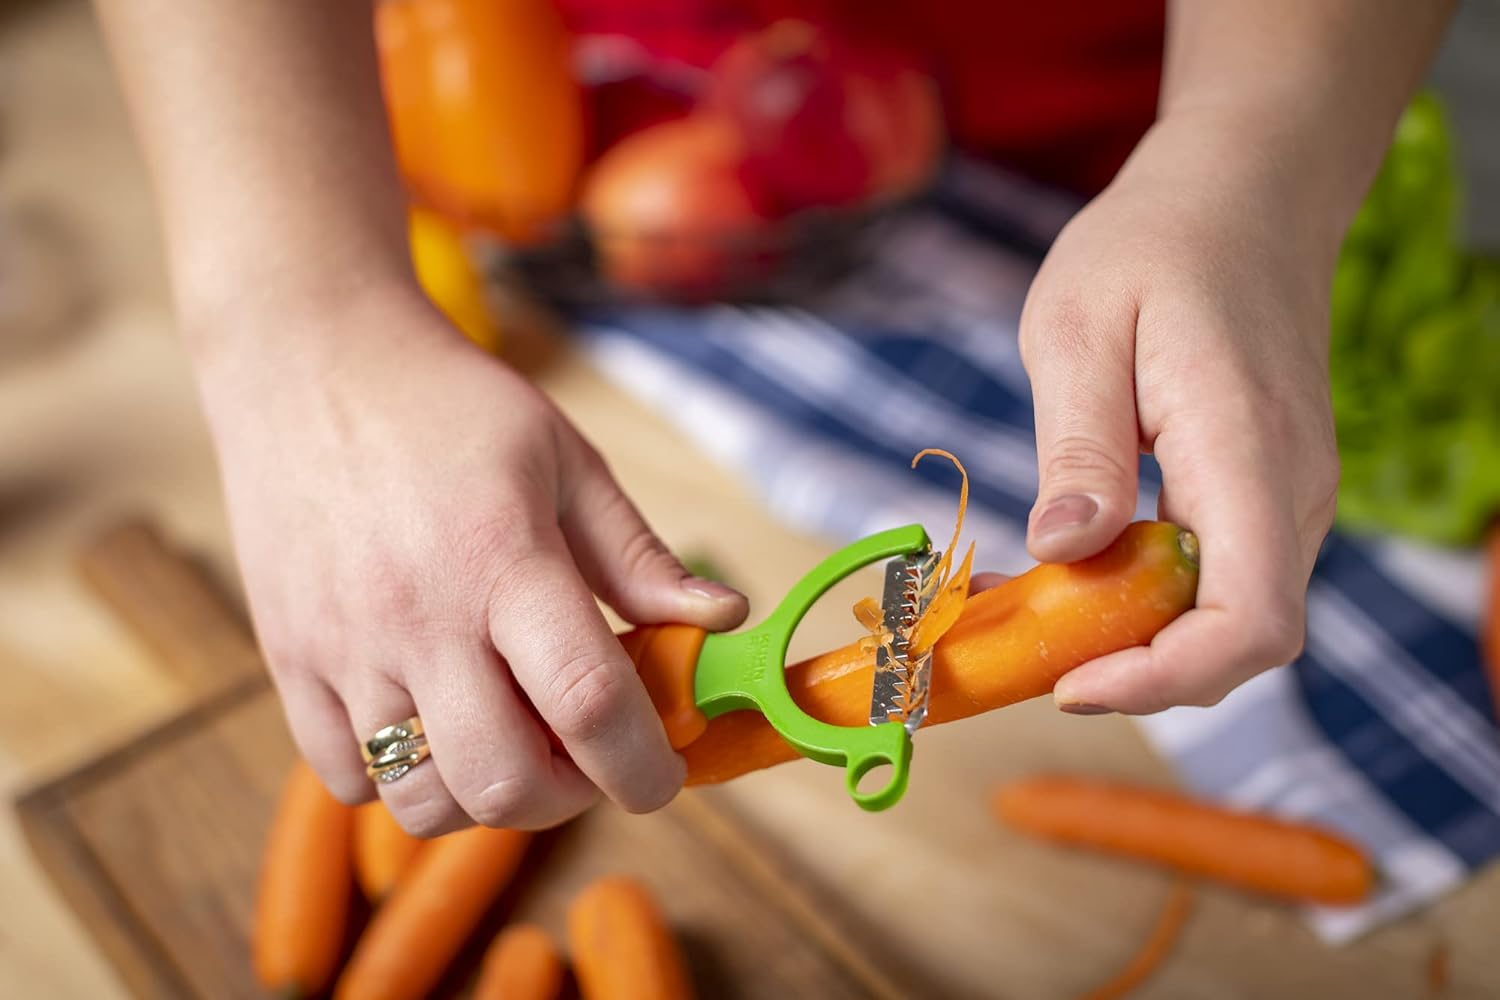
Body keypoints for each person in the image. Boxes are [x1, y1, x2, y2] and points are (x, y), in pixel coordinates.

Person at [95, 0, 1455, 835]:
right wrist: (297, 315)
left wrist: (1251, 158)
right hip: (559, 102)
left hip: (1128, 102)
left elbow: (1251, 149)